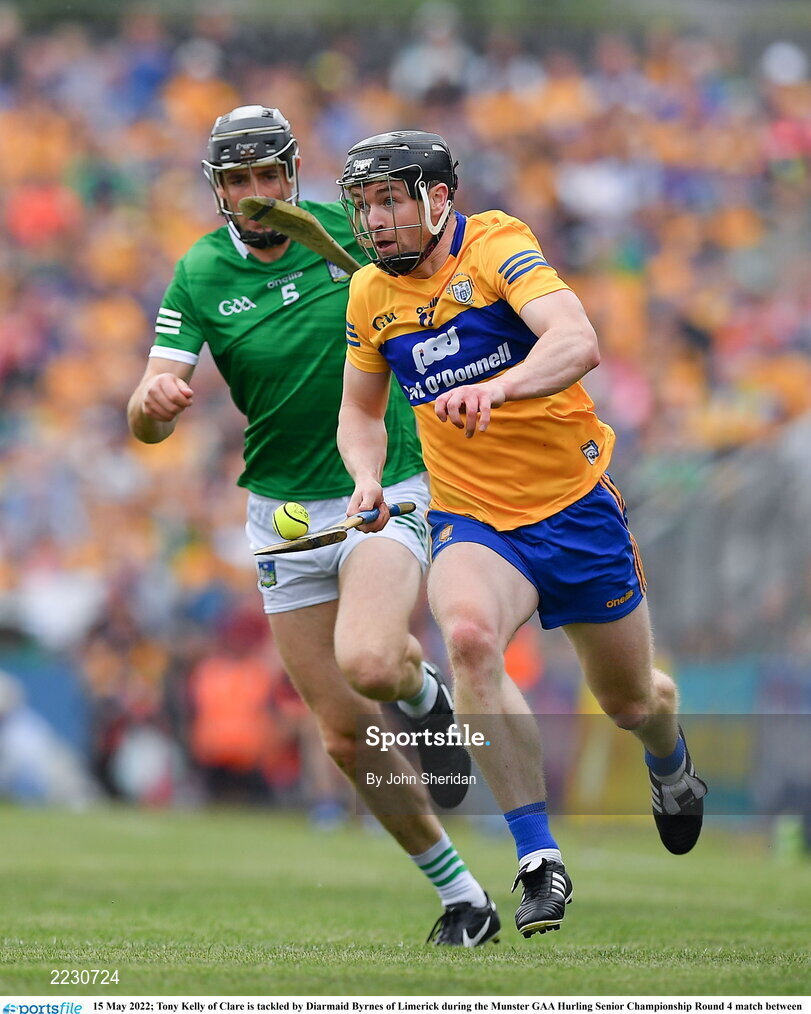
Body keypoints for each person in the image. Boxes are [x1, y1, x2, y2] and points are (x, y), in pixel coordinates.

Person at [127, 106, 500, 947]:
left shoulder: (352, 231)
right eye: (238, 180)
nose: (257, 192)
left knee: (369, 660)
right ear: (218, 189)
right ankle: (462, 897)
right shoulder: (198, 274)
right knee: (341, 735)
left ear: (293, 174)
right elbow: (145, 415)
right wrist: (152, 404)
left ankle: (424, 699)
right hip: (283, 514)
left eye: (269, 175)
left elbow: (439, 287)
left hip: (383, 483)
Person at [335, 129, 708, 940]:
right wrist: (365, 477)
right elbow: (359, 412)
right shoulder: (368, 294)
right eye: (364, 205)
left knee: (630, 701)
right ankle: (537, 859)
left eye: (390, 200)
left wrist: (498, 388)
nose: (375, 220)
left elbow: (576, 342)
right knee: (468, 640)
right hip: (470, 516)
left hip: (573, 509)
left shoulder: (497, 246)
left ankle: (670, 762)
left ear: (439, 198)